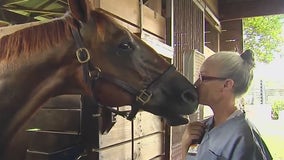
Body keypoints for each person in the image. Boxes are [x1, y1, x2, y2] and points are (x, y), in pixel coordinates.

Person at [181, 50, 272, 160]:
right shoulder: (202, 128)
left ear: (227, 85)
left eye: (203, 78)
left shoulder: (242, 138)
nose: (196, 84)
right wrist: (185, 145)